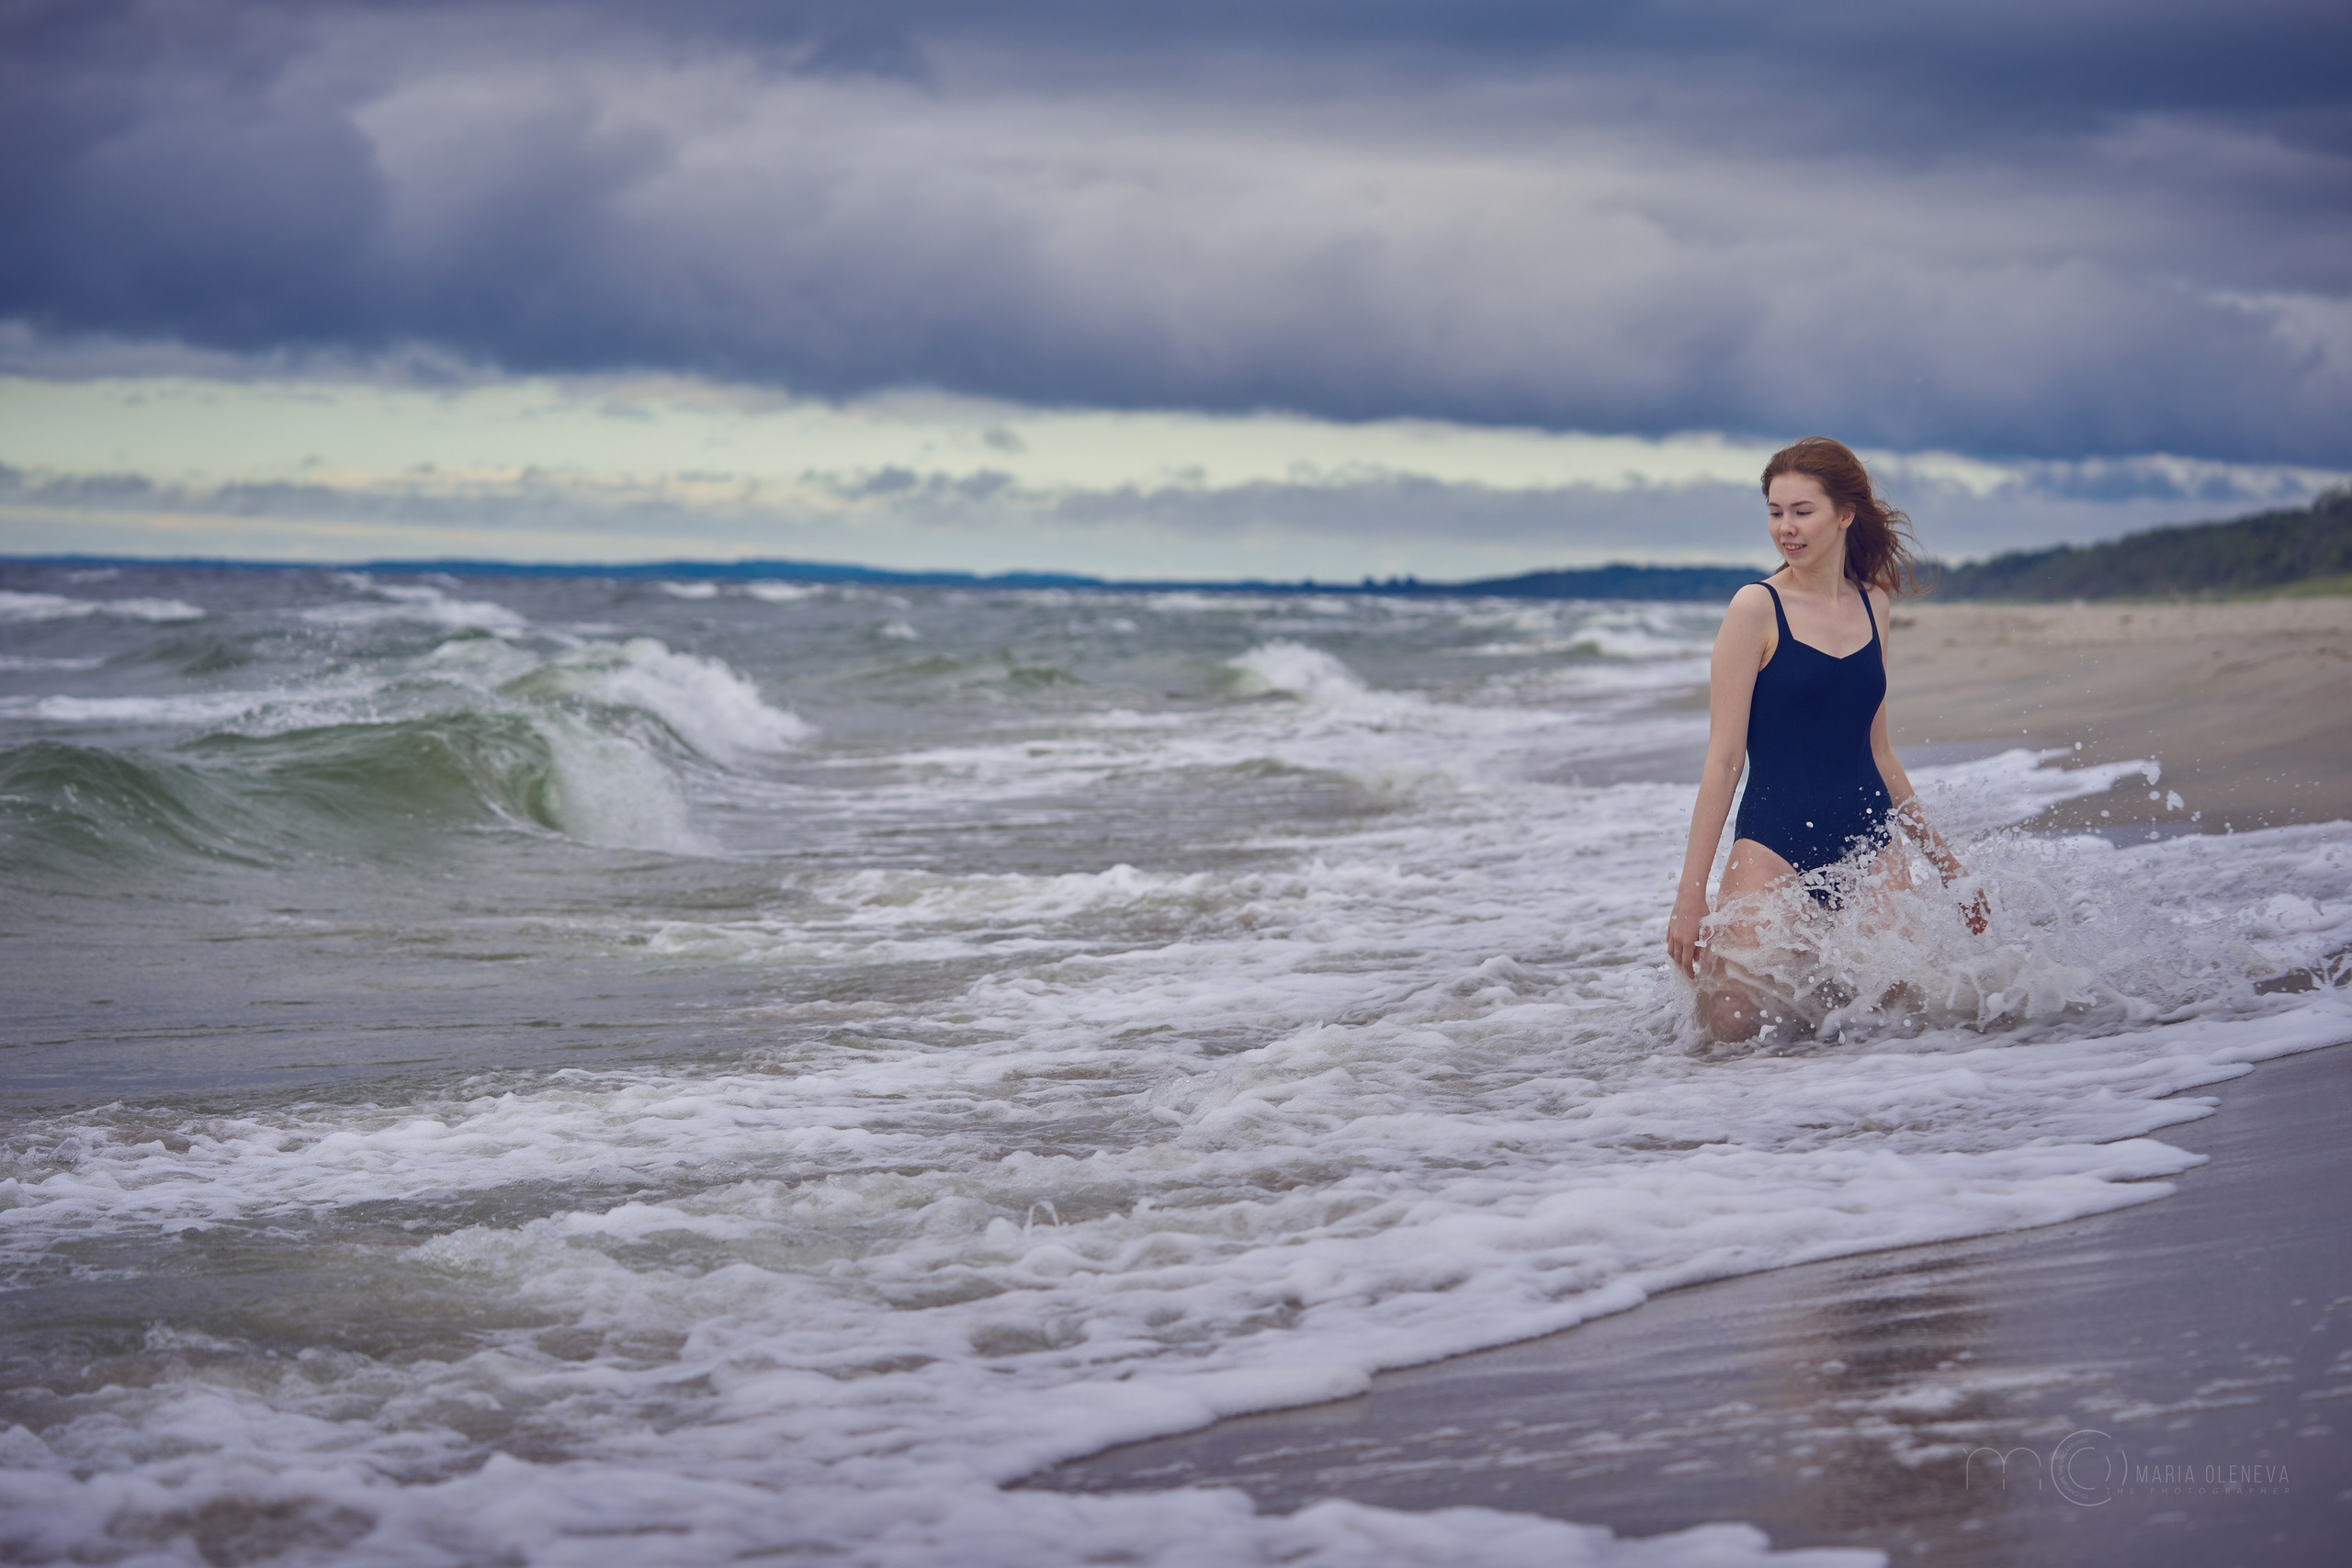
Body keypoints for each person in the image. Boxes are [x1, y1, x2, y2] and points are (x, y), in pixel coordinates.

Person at [1665, 436, 1985, 1041]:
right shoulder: (1754, 608)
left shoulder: (1874, 606)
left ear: (1844, 514)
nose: (1786, 527)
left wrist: (1947, 866)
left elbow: (1879, 750)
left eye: (1801, 511)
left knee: (1900, 1025)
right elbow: (1725, 758)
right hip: (1773, 845)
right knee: (1732, 1037)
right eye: (1775, 511)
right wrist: (1691, 896)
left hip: (1872, 844)